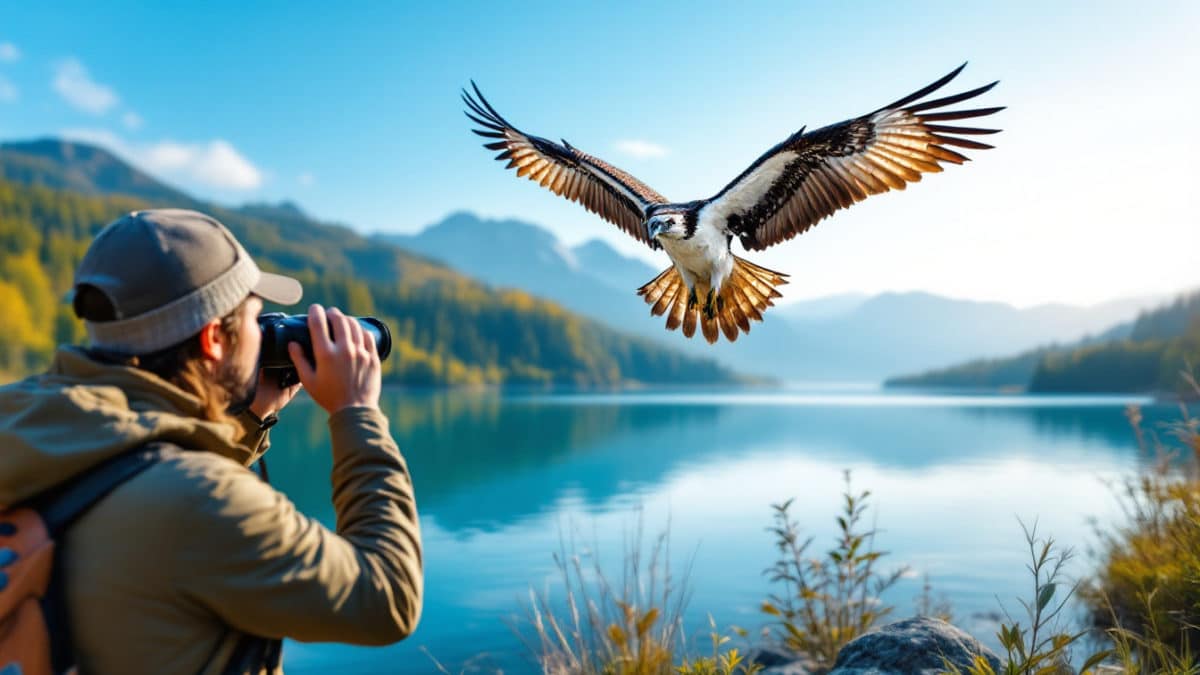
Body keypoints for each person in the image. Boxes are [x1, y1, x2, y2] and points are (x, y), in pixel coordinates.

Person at [0, 209, 423, 673]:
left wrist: (250, 417)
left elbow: (132, 469)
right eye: (255, 321)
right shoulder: (204, 501)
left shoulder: (24, 421)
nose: (261, 339)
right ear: (213, 341)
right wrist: (356, 412)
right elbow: (387, 599)